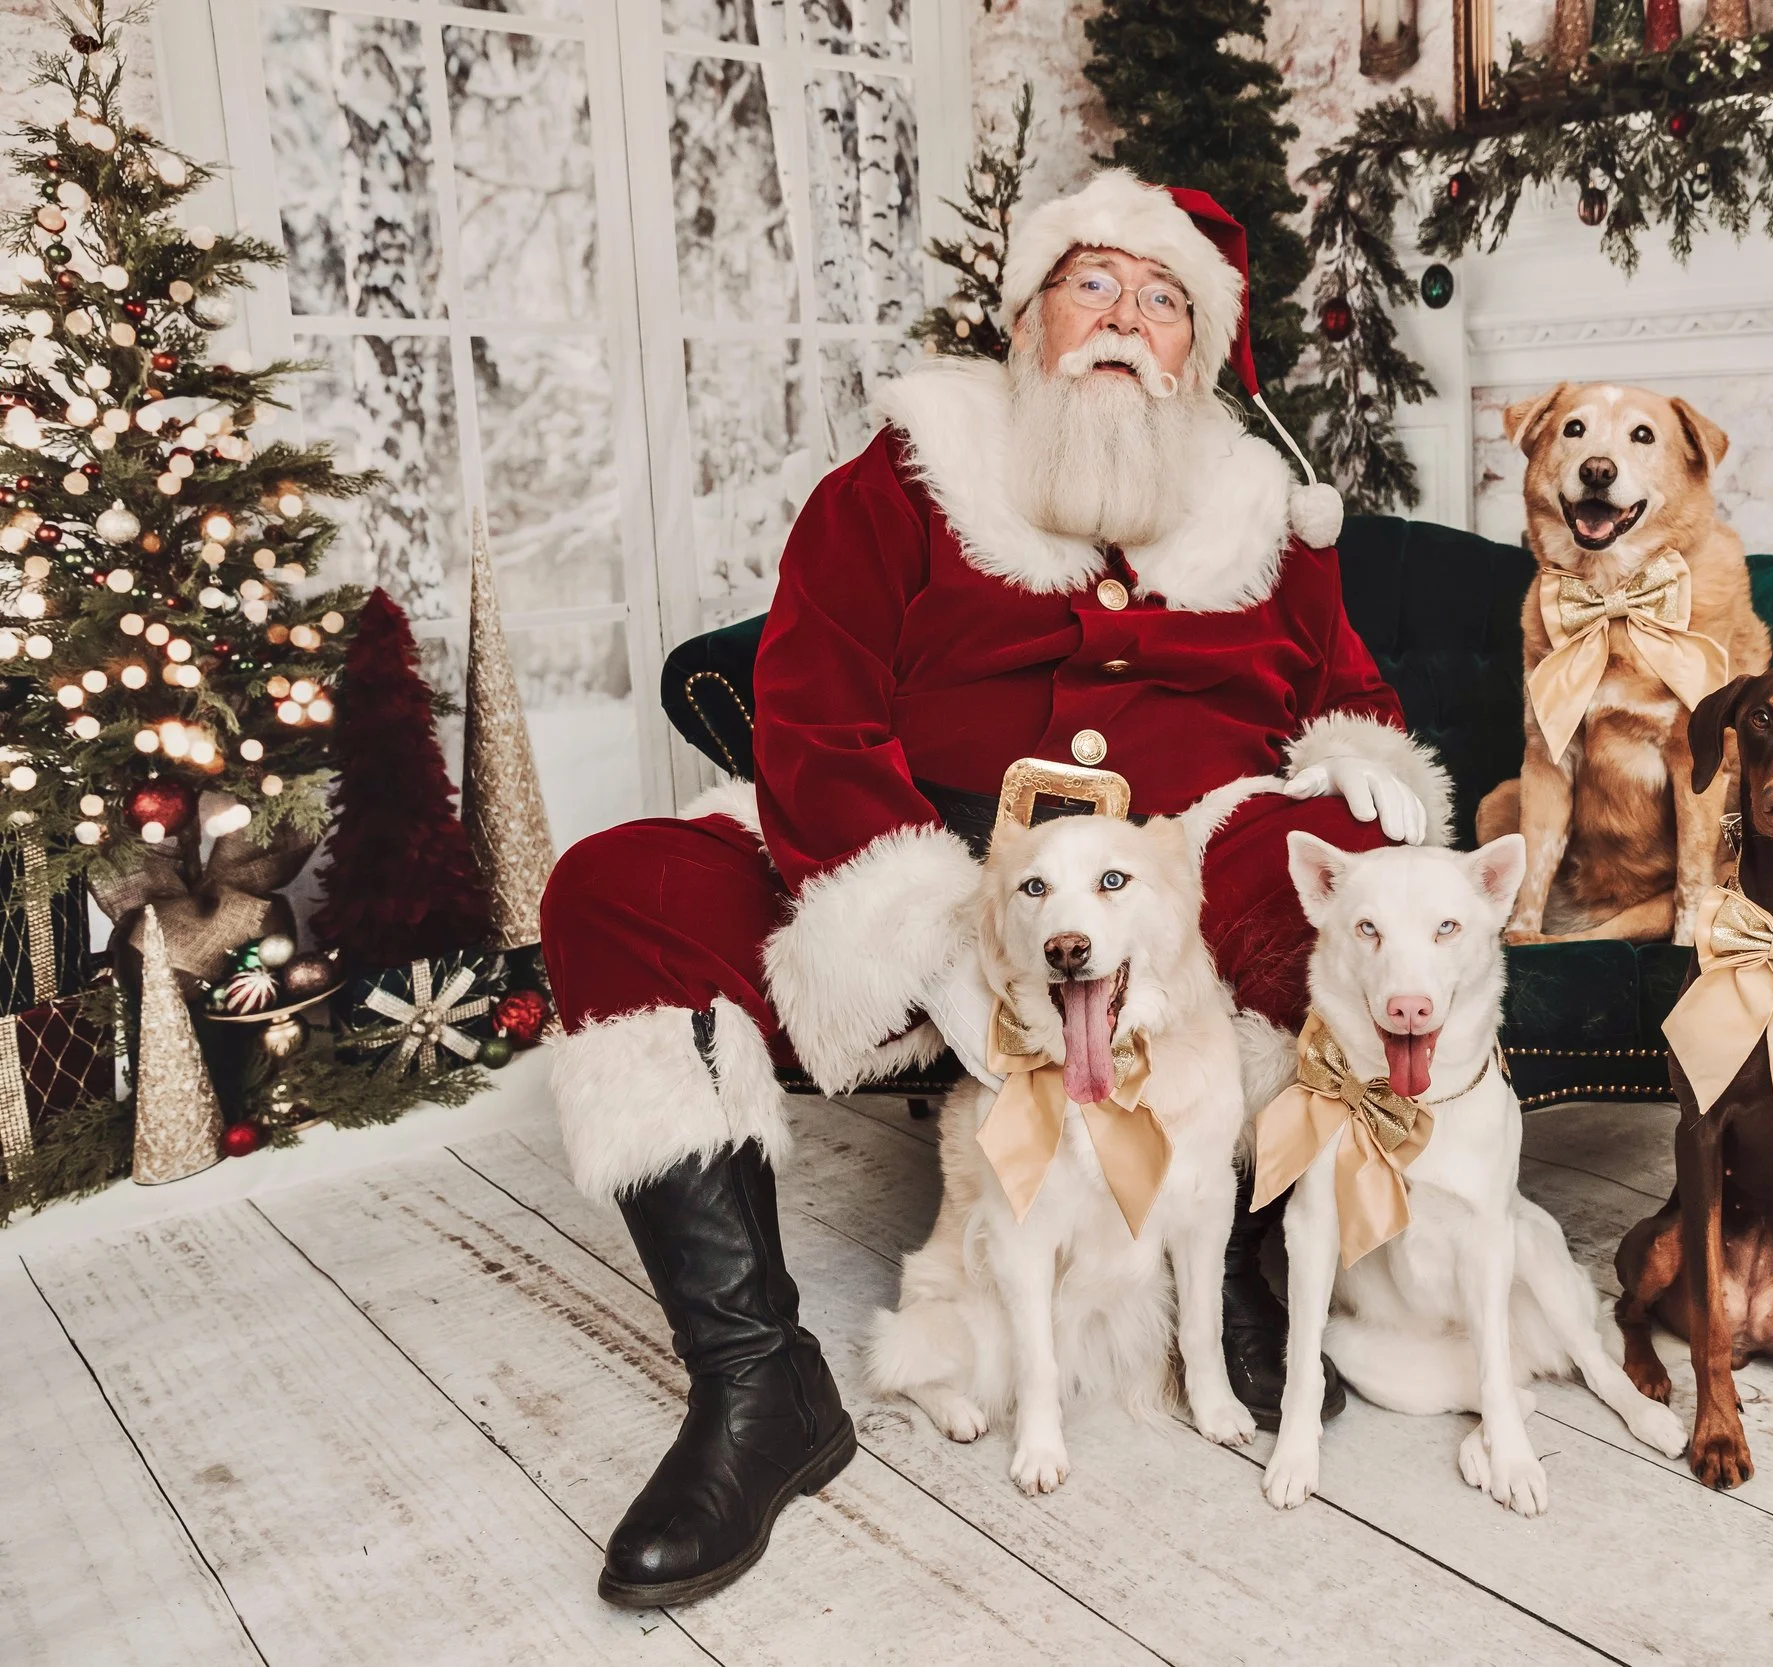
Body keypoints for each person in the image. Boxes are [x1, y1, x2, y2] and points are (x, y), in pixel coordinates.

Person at [539, 170, 1451, 1605]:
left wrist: (1356, 762)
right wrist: (924, 927)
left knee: (1319, 891)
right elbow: (811, 708)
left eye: (1163, 303)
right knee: (616, 886)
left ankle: (1247, 1268)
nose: (1123, 323)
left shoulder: (1257, 510)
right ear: (1027, 315)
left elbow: (1344, 690)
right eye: (1094, 283)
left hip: (1174, 891)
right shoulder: (906, 475)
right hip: (916, 864)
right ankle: (757, 1382)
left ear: (1197, 354)